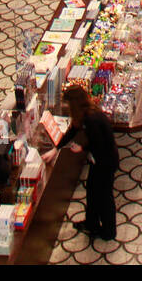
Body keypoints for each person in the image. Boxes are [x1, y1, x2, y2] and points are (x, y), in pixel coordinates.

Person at [43, 84, 120, 242]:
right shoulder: (86, 114)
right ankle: (91, 223)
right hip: (98, 161)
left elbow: (99, 144)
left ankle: (108, 231)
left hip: (105, 162)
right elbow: (72, 131)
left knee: (104, 197)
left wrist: (82, 148)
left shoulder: (91, 119)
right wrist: (56, 149)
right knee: (92, 191)